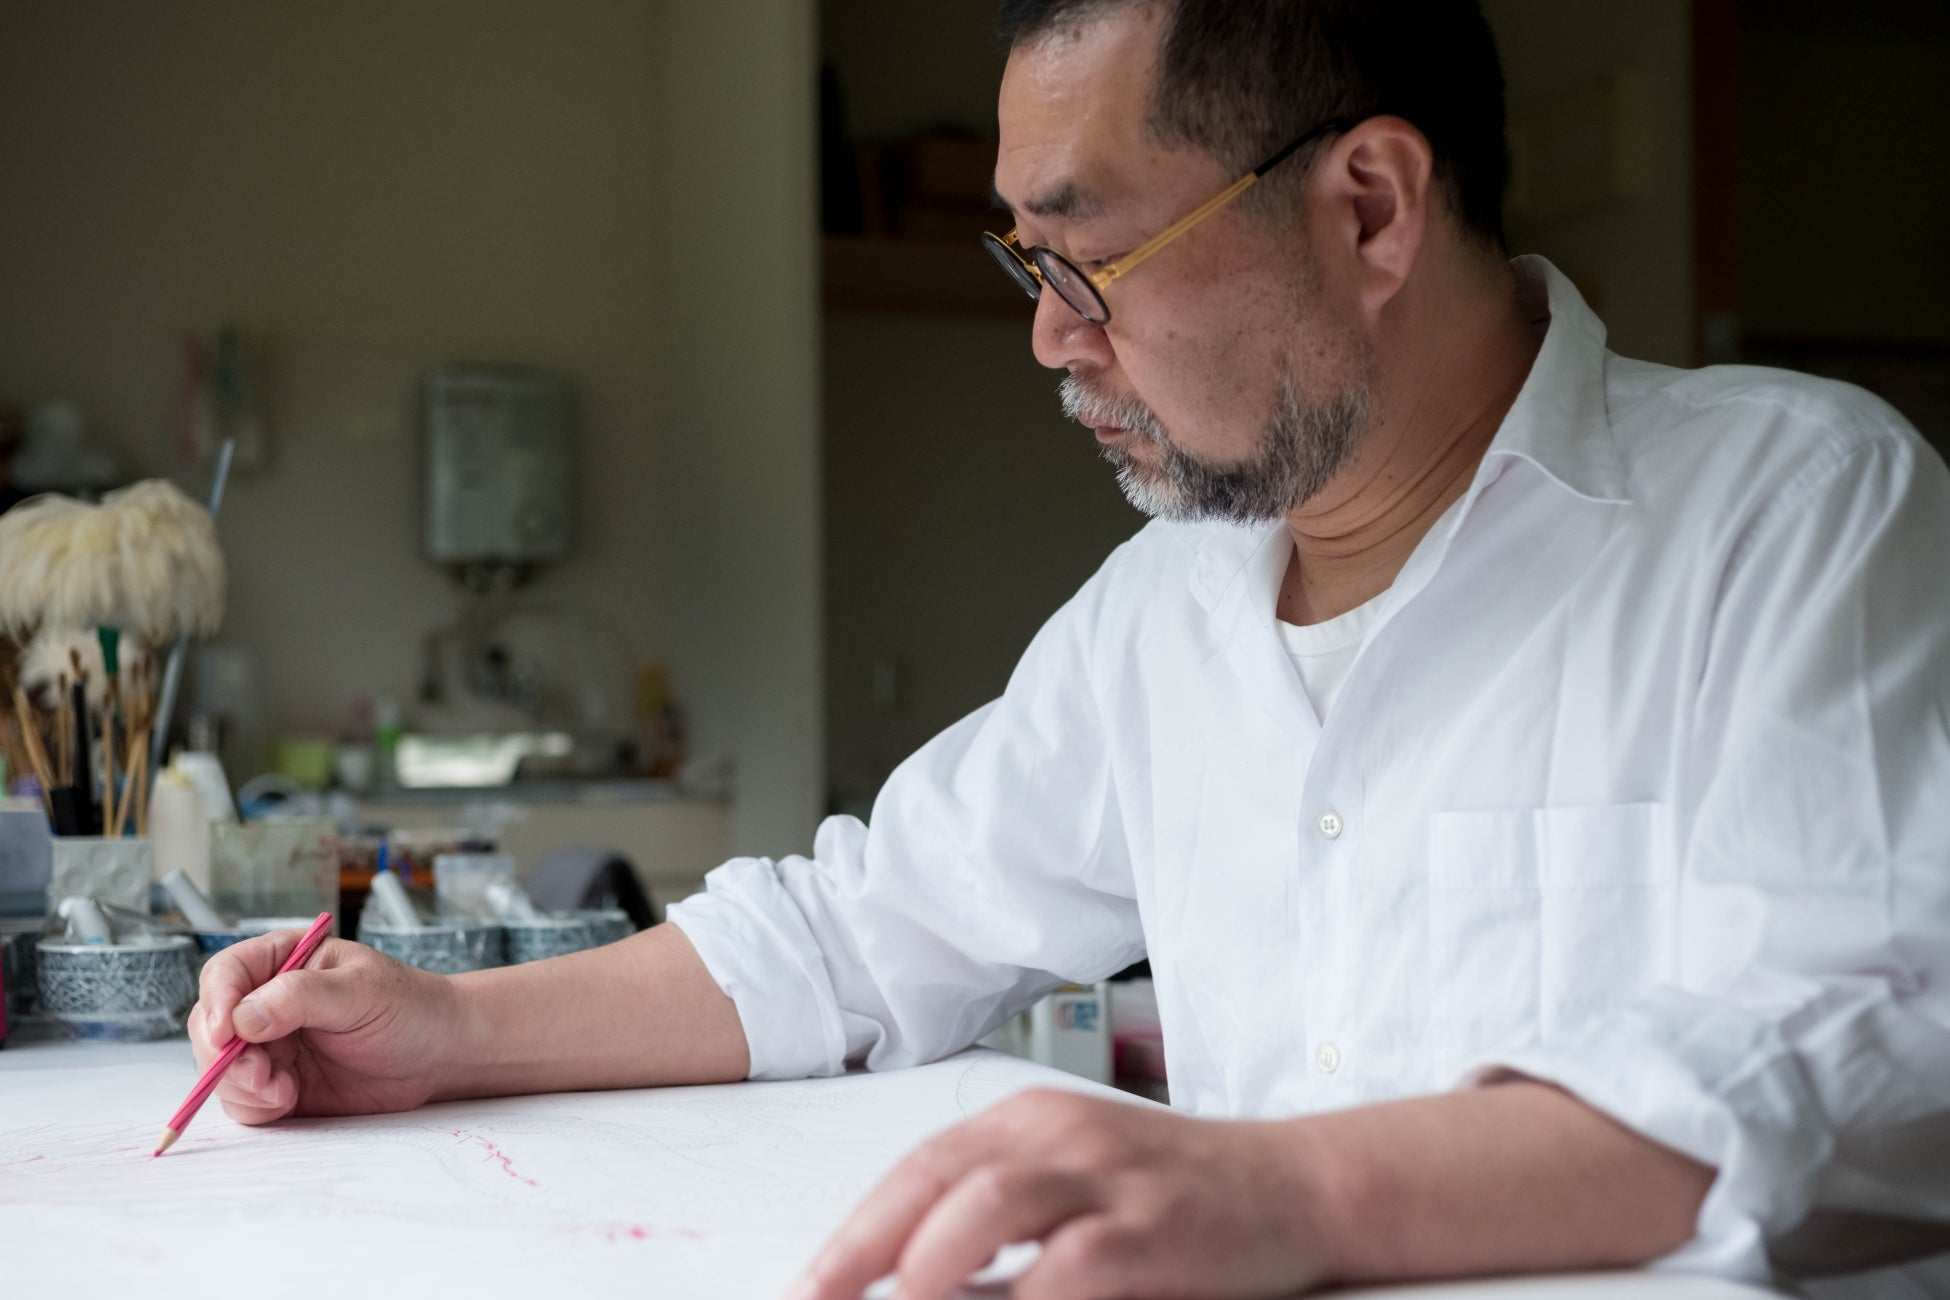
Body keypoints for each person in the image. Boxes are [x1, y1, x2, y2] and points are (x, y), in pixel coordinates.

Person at [189, 2, 1950, 1297]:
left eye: (1088, 259)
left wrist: (1289, 1193)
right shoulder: (1167, 608)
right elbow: (861, 935)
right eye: (1021, 261)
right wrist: (445, 1028)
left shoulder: (1794, 510)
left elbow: (1874, 1057)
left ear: (1366, 207)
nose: (1047, 338)